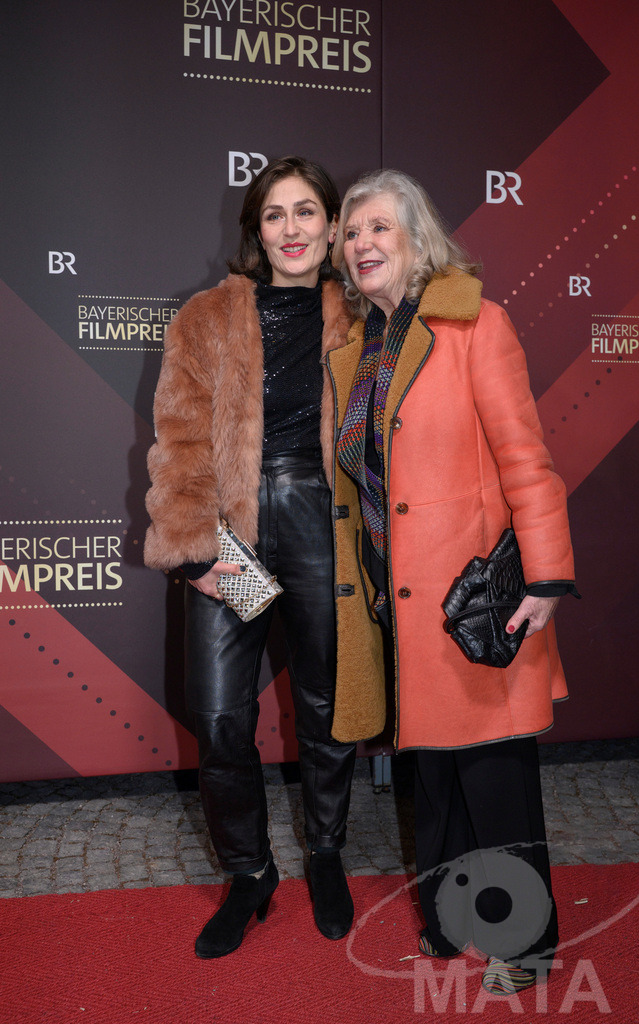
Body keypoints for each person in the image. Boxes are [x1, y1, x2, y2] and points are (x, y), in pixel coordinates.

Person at [326, 169, 579, 995]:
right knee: (429, 773)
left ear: (416, 238)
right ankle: (447, 922)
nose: (361, 243)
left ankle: (525, 943)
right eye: (351, 232)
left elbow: (525, 459)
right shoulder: (357, 351)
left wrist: (543, 579)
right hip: (393, 607)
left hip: (472, 602)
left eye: (378, 229)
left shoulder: (475, 325)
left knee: (492, 778)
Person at [144, 156, 357, 959]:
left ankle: (327, 849)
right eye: (276, 214)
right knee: (219, 712)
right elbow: (180, 438)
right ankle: (250, 871)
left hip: (321, 520)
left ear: (331, 226)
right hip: (227, 528)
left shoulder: (361, 317)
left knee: (327, 704)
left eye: (307, 212)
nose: (292, 229)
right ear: (255, 230)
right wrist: (192, 545)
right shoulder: (204, 317)